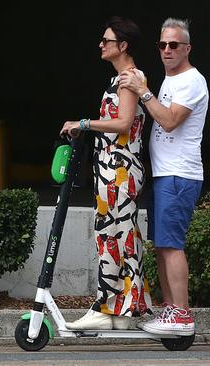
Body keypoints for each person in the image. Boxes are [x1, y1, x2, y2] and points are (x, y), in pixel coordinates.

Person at [60, 16, 153, 330]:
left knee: (121, 235)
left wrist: (84, 123)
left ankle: (123, 308)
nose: (101, 45)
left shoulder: (130, 78)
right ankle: (113, 308)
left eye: (107, 40)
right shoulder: (120, 79)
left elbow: (124, 123)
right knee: (110, 236)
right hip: (111, 168)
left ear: (123, 46)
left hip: (121, 169)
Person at [118, 18, 208, 336]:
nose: (167, 50)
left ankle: (181, 315)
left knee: (172, 245)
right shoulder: (171, 79)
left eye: (174, 45)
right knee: (162, 244)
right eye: (162, 45)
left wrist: (143, 92)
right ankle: (171, 312)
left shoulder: (193, 81)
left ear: (187, 48)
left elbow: (169, 121)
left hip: (179, 176)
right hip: (163, 175)